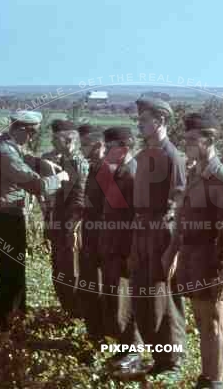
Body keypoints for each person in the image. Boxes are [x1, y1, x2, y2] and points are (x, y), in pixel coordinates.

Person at [167, 113, 223, 388]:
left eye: (193, 140)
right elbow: (183, 217)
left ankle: (215, 382)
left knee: (216, 322)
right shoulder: (195, 172)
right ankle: (206, 378)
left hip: (213, 258)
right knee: (202, 320)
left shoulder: (222, 177)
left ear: (209, 141)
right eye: (186, 139)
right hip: (193, 255)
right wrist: (173, 251)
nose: (187, 144)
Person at [0, 110, 69, 330]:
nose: (32, 137)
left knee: (15, 266)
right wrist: (59, 178)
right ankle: (6, 320)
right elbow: (35, 185)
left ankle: (15, 314)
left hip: (8, 213)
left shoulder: (5, 142)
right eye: (31, 132)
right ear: (20, 128)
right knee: (9, 268)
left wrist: (44, 164)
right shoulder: (4, 150)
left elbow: (25, 157)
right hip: (5, 216)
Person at [125, 96, 186, 382]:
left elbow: (180, 205)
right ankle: (158, 356)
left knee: (165, 299)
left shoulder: (171, 157)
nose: (139, 124)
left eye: (143, 120)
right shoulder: (144, 155)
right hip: (142, 231)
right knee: (145, 297)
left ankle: (171, 361)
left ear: (160, 122)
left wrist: (172, 250)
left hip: (161, 232)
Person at [96, 127, 143, 375]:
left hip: (124, 250)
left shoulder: (133, 175)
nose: (104, 152)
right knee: (117, 302)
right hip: (113, 248)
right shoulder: (119, 172)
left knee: (126, 302)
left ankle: (133, 352)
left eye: (109, 147)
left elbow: (137, 219)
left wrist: (132, 252)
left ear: (123, 149)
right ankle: (125, 348)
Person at [42, 120, 89, 317]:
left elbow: (79, 200)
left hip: (70, 227)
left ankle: (77, 312)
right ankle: (70, 310)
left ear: (69, 139)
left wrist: (73, 229)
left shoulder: (78, 163)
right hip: (60, 224)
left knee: (71, 270)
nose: (52, 141)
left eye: (56, 137)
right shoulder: (63, 161)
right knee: (60, 269)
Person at [77, 123, 106, 340]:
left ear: (98, 145)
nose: (81, 149)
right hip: (89, 236)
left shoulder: (107, 170)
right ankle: (94, 334)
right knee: (89, 288)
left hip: (102, 241)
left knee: (101, 290)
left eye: (85, 145)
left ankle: (103, 336)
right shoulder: (94, 167)